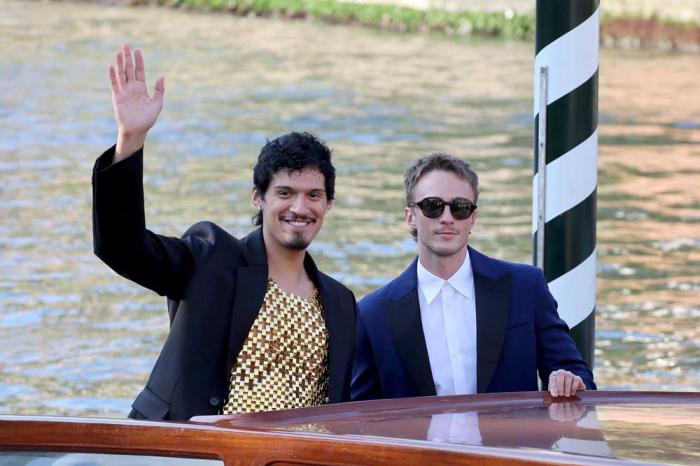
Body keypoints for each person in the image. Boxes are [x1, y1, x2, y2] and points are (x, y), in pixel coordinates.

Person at [93, 45, 356, 420]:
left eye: (313, 195)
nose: (300, 208)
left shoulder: (341, 302)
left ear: (328, 204)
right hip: (196, 456)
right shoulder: (211, 258)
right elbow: (122, 246)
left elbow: (340, 412)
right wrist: (130, 140)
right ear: (258, 198)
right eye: (285, 193)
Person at [351, 153, 595, 401]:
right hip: (416, 442)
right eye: (433, 206)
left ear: (473, 219)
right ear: (411, 217)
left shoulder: (526, 287)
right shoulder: (372, 314)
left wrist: (568, 380)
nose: (447, 218)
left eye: (460, 207)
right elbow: (358, 415)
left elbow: (578, 375)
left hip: (511, 441)